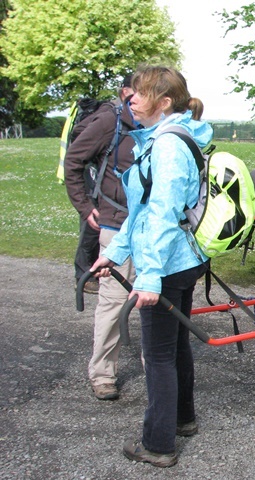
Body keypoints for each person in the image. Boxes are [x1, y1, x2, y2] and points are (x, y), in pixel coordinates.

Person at [91, 65, 213, 468]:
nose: (131, 98)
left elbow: (162, 214)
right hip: (175, 261)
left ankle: (158, 444)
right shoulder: (161, 139)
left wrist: (148, 276)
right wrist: (114, 252)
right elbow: (140, 211)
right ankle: (184, 420)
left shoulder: (167, 146)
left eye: (140, 93)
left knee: (158, 355)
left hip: (168, 264)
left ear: (164, 103)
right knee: (175, 347)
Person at [65, 75, 137, 401]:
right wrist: (84, 206)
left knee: (156, 302)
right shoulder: (108, 121)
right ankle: (103, 373)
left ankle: (161, 368)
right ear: (124, 93)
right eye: (138, 93)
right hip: (115, 224)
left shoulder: (159, 124)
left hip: (153, 229)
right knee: (113, 301)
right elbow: (74, 160)